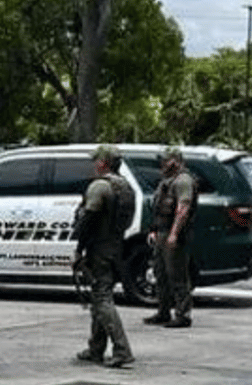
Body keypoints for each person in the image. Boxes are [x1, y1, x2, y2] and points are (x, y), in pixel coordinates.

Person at [72, 146, 135, 368]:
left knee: (102, 297)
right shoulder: (126, 187)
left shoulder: (100, 186)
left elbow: (88, 220)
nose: (94, 164)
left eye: (96, 160)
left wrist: (78, 250)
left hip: (99, 248)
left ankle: (122, 350)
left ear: (103, 162)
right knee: (100, 296)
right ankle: (96, 348)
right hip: (116, 245)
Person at [143, 145, 196, 328]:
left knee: (177, 275)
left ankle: (183, 314)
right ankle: (163, 311)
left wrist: (174, 234)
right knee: (160, 273)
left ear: (175, 161)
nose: (162, 164)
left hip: (175, 233)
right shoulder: (166, 181)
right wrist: (153, 229)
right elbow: (158, 208)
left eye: (165, 161)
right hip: (162, 232)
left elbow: (183, 209)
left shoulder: (183, 181)